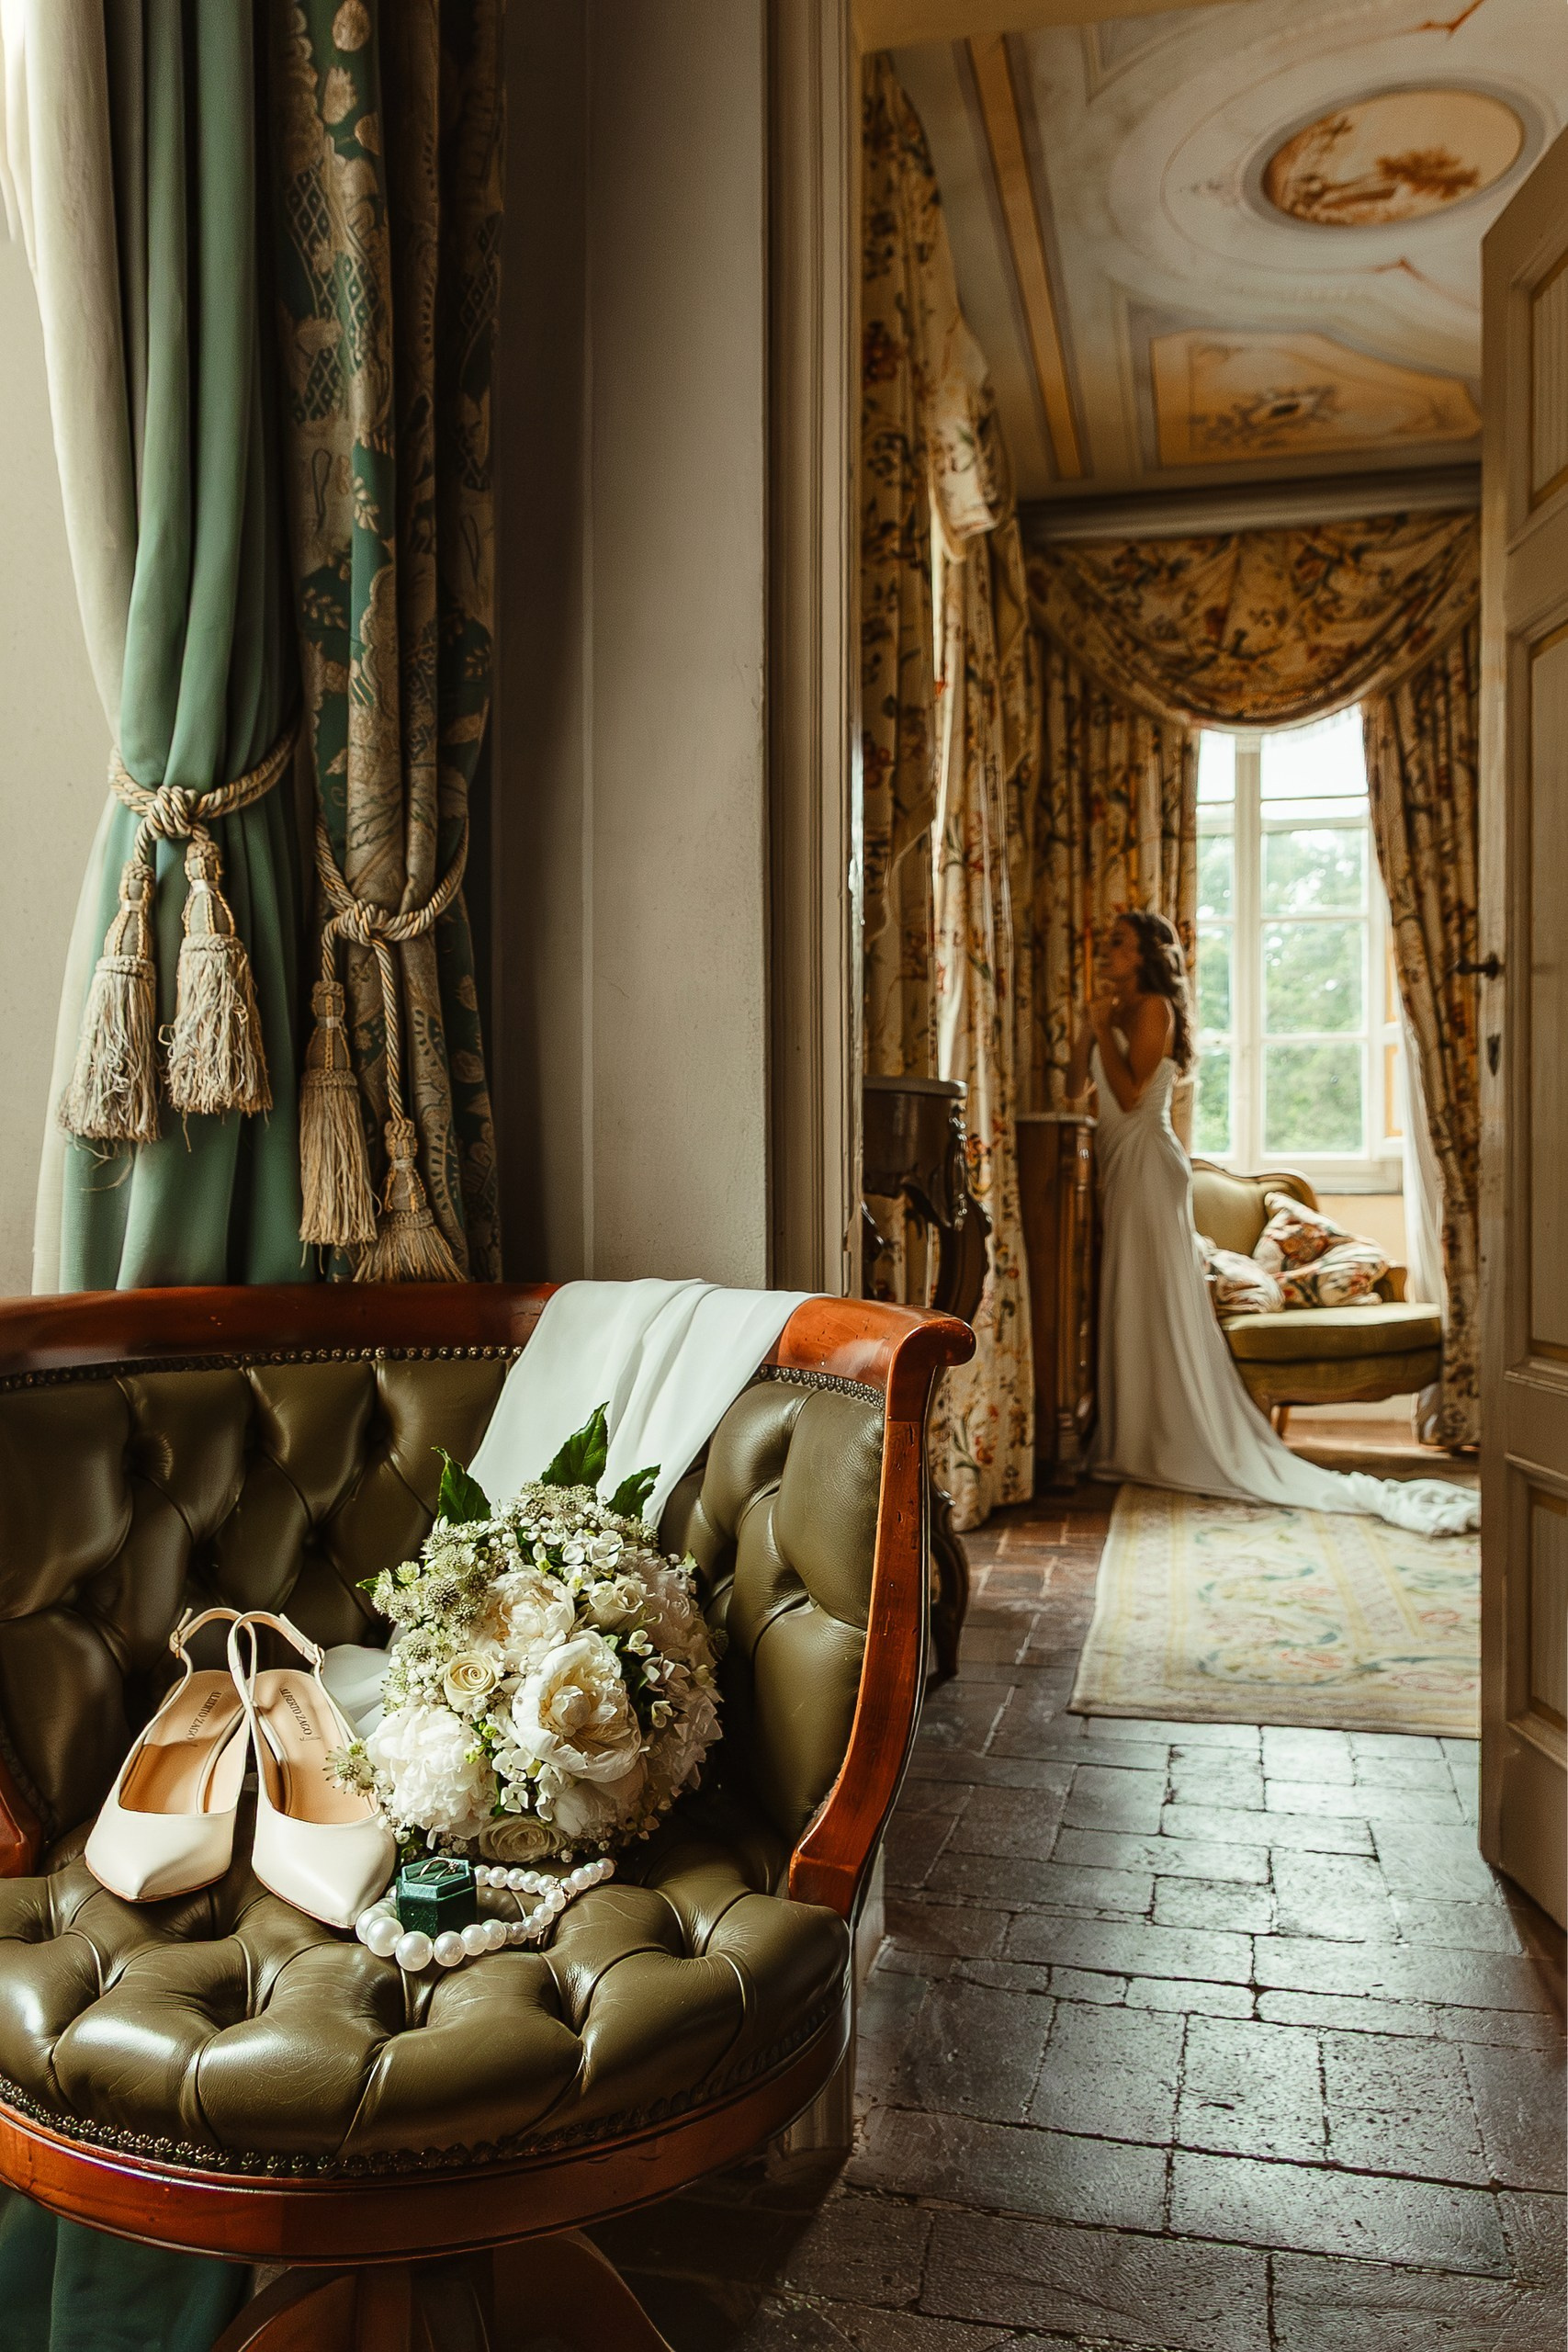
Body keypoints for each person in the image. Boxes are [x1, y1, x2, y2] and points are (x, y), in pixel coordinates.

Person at [1066, 909, 1477, 1538]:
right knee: (1127, 1299)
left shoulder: (1153, 1009)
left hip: (1149, 1167)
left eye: (1118, 943)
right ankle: (1131, 1434)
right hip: (1117, 1169)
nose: (1107, 952)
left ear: (1145, 954)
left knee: (1148, 1298)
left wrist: (1101, 1026)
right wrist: (1084, 1030)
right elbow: (1077, 1092)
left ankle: (1163, 1436)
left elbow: (1127, 1097)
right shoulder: (1109, 1010)